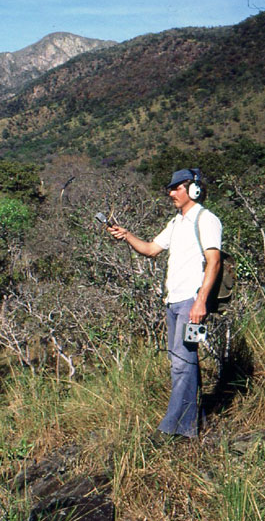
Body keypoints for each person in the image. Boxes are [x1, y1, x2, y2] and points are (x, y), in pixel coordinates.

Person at [108, 168, 222, 441]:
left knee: (183, 362)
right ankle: (191, 424)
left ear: (193, 189)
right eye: (170, 189)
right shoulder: (176, 223)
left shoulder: (206, 220)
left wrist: (200, 302)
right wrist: (127, 235)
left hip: (190, 302)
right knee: (179, 362)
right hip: (173, 301)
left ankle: (171, 429)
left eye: (176, 188)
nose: (171, 193)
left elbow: (214, 262)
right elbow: (150, 249)